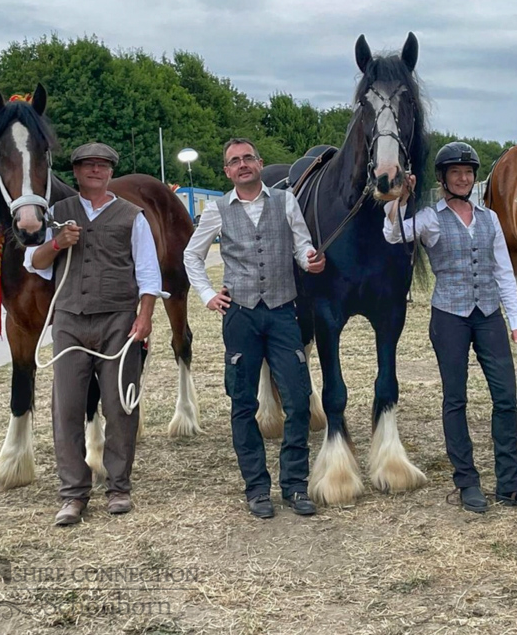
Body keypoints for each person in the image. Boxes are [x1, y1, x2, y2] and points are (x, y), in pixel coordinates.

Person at [384, 142, 517, 513]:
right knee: (455, 399)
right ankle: (467, 481)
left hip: (488, 313)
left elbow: (503, 272)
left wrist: (516, 319)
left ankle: (511, 482)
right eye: (455, 172)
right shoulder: (429, 218)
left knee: (505, 397)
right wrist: (400, 197)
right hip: (449, 315)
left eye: (468, 172)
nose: (463, 178)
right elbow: (393, 234)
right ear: (443, 178)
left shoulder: (489, 218)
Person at [183, 138, 326, 519]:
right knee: (243, 403)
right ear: (227, 171)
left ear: (259, 164)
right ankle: (257, 488)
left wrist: (309, 261)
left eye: (248, 158)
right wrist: (208, 295)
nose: (243, 164)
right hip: (241, 316)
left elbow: (302, 244)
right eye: (234, 161)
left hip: (282, 312)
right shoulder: (216, 211)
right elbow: (191, 256)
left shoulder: (285, 202)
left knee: (297, 399)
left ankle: (295, 486)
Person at [25, 143, 161, 526]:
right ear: (77, 172)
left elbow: (149, 273)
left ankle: (118, 486)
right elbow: (33, 263)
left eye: (102, 166)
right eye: (88, 166)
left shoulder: (132, 216)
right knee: (66, 408)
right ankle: (73, 494)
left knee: (120, 408)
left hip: (118, 320)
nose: (96, 171)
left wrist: (145, 316)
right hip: (69, 320)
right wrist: (56, 244)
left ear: (110, 171)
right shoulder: (55, 215)